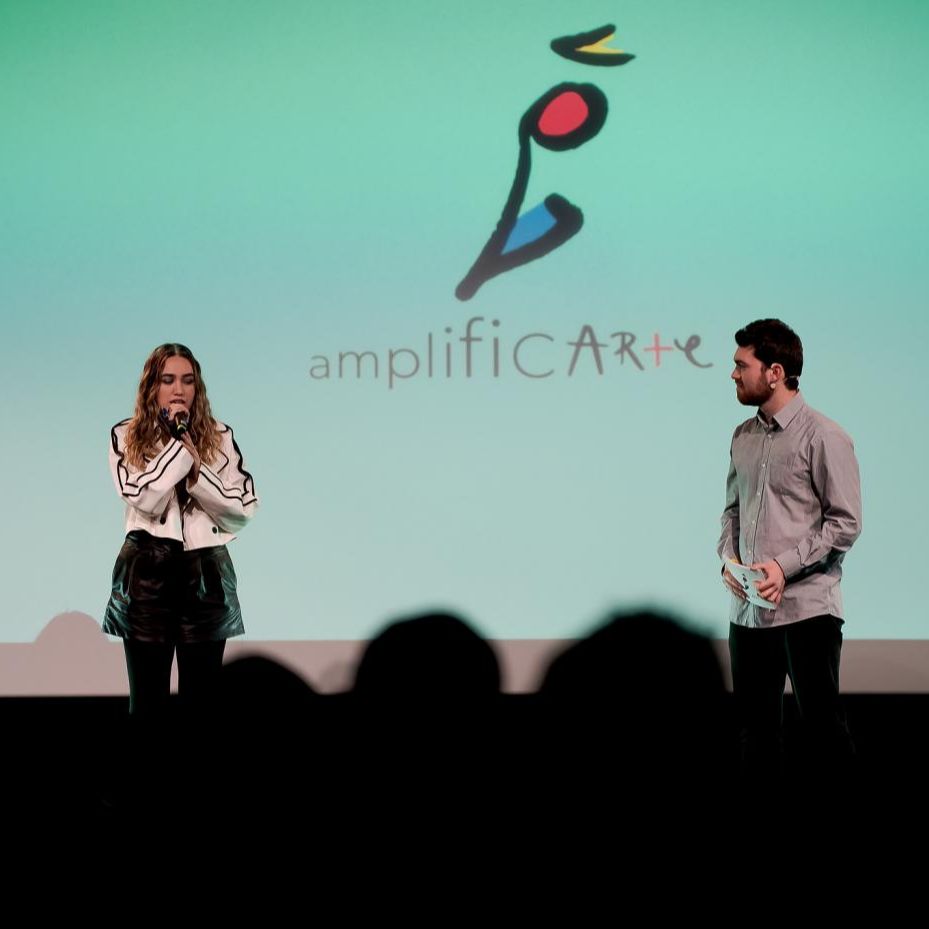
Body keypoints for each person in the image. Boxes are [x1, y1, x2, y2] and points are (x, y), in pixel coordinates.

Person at [718, 319, 861, 777]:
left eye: (742, 364)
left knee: (822, 731)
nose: (733, 374)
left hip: (808, 610)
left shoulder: (824, 436)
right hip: (748, 613)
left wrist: (782, 567)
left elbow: (846, 522)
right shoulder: (742, 436)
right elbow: (732, 510)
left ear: (775, 371)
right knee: (753, 734)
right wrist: (729, 559)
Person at [103, 343, 258, 718]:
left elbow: (243, 508)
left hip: (206, 574)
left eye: (187, 381)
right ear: (151, 387)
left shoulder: (220, 436)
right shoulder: (126, 435)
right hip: (147, 572)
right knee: (148, 703)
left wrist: (198, 475)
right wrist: (181, 449)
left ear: (197, 388)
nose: (178, 390)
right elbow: (143, 496)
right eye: (168, 380)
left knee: (203, 703)